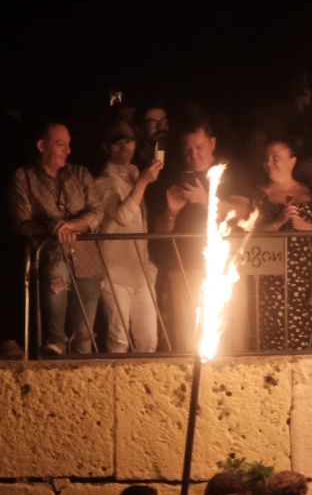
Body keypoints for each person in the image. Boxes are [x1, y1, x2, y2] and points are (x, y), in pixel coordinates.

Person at [8, 122, 105, 356]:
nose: (68, 150)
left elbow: (97, 210)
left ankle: (82, 371)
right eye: (61, 144)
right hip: (52, 256)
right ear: (42, 146)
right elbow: (20, 222)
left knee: (84, 336)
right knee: (55, 337)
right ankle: (55, 346)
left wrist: (72, 225)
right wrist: (50, 226)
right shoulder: (24, 177)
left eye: (69, 144)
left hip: (87, 260)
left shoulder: (80, 174)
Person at [153, 120, 226, 352]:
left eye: (199, 146)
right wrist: (172, 212)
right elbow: (160, 232)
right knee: (186, 338)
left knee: (223, 337)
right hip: (183, 267)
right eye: (188, 148)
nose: (193, 154)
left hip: (222, 268)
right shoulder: (173, 179)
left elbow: (243, 212)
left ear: (212, 143)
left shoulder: (227, 173)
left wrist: (205, 200)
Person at [93, 123, 165, 353]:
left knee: (149, 341)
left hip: (141, 270)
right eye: (117, 142)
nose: (124, 147)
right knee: (119, 341)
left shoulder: (135, 173)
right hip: (114, 273)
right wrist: (143, 182)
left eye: (129, 141)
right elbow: (122, 216)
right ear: (106, 147)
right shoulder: (102, 182)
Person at [249, 137, 312, 351]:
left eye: (276, 157)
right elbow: (250, 234)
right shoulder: (259, 194)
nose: (269, 163)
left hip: (304, 274)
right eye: (266, 158)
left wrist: (306, 226)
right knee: (270, 329)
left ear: (292, 161)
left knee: (305, 329)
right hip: (271, 275)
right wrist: (279, 221)